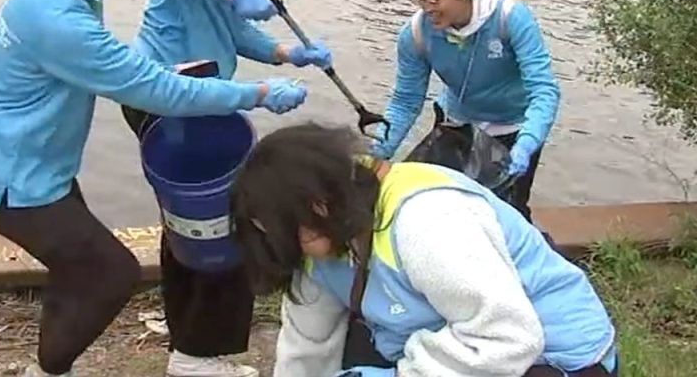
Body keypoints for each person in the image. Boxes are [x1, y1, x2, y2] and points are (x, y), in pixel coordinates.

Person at [0, 0, 307, 377]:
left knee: (79, 270)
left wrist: (276, 53)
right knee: (109, 274)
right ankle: (48, 370)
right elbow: (153, 87)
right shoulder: (54, 15)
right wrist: (255, 94)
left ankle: (57, 365)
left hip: (33, 165)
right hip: (7, 178)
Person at [124, 0, 326, 377]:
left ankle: (192, 348)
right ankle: (198, 360)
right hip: (174, 94)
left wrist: (287, 54)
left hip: (187, 90)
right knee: (226, 228)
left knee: (191, 230)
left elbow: (229, 28)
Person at [231, 123, 619, 377]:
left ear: (318, 204)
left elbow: (506, 340)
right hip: (449, 335)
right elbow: (307, 347)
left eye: (285, 230)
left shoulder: (428, 220)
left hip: (551, 357)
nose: (288, 246)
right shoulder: (317, 245)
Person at [372, 0, 560, 222]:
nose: (427, 9)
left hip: (513, 130)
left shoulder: (510, 17)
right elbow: (405, 101)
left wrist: (527, 142)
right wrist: (379, 149)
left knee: (505, 218)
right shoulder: (417, 34)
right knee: (438, 210)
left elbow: (544, 91)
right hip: (457, 126)